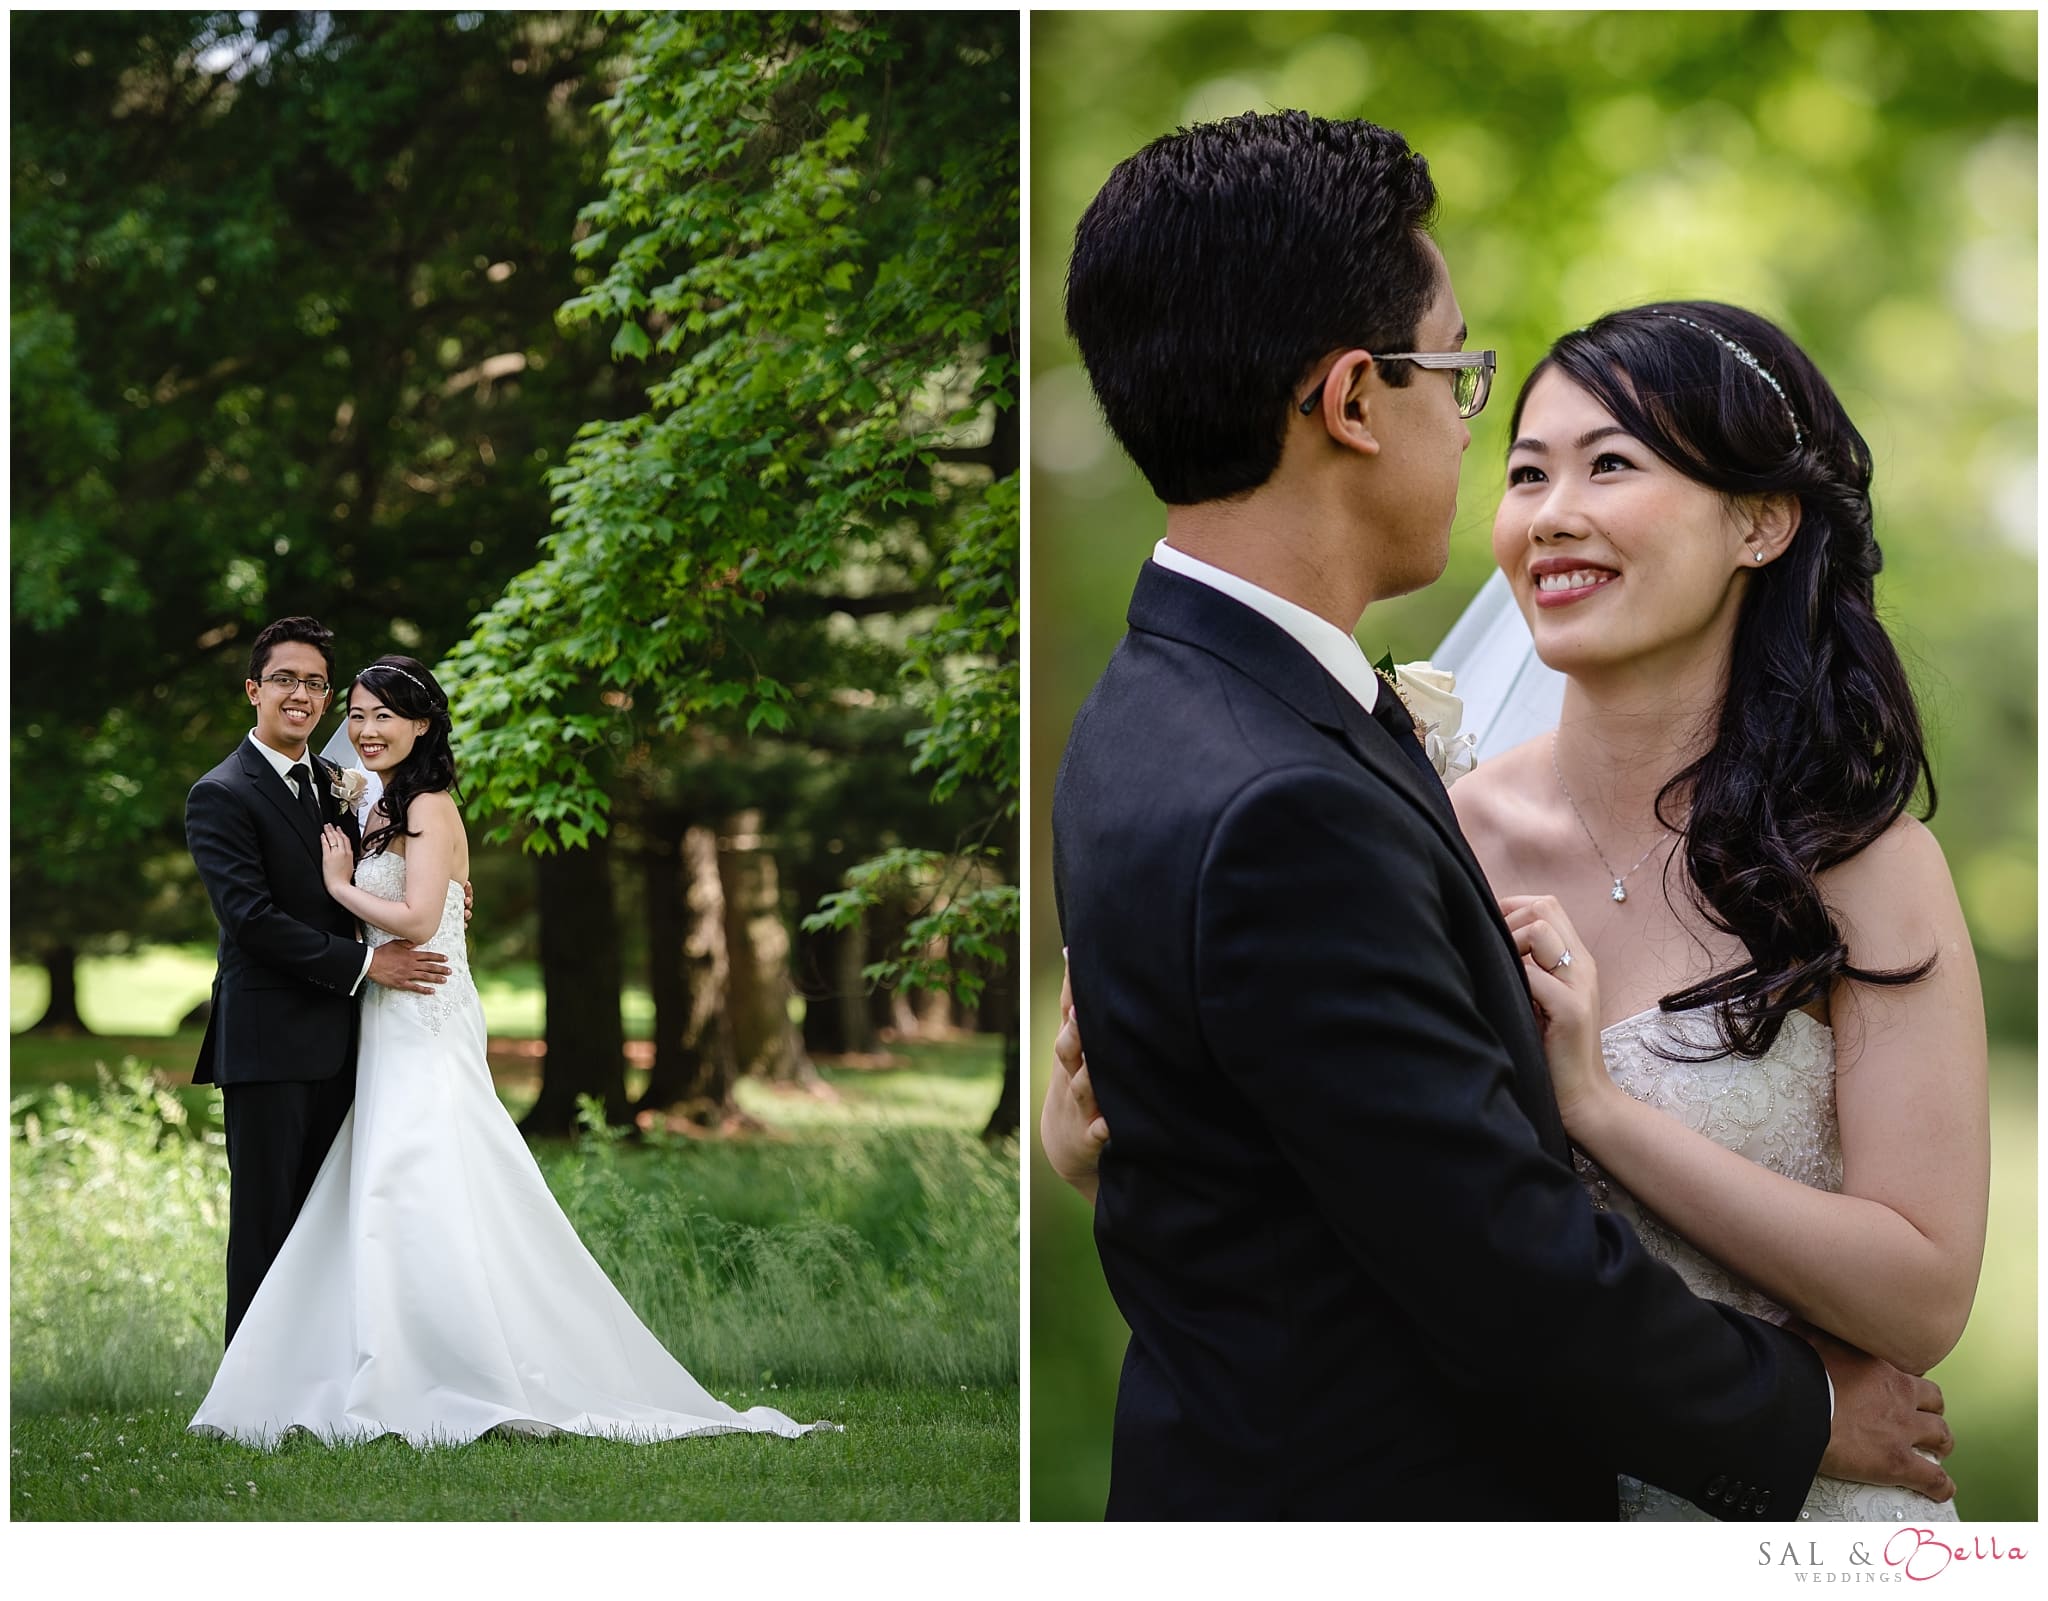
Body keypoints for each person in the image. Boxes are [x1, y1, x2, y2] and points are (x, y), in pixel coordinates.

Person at [1044, 109, 1954, 1520]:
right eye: (1478, 402)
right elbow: (1497, 1263)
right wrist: (1810, 1410)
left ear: (1763, 523)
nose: (1526, 497)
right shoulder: (1296, 792)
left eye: (1617, 464)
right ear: (1354, 401)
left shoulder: (1165, 708)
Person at [191, 656, 832, 1447]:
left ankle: (459, 1370)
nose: (365, 729)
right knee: (384, 1190)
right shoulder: (357, 796)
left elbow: (419, 923)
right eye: (356, 714)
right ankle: (366, 1364)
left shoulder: (425, 804)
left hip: (421, 1010)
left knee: (420, 1180)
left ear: (423, 724)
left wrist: (342, 886)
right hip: (377, 1019)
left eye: (384, 714)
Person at [185, 617, 452, 1347]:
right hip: (269, 1043)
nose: (299, 694)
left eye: (313, 683)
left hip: (350, 1040)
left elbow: (400, 874)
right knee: (268, 1223)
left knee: (332, 1226)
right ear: (253, 689)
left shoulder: (341, 785)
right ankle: (253, 1392)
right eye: (283, 679)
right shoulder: (221, 793)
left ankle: (324, 1378)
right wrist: (369, 964)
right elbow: (253, 920)